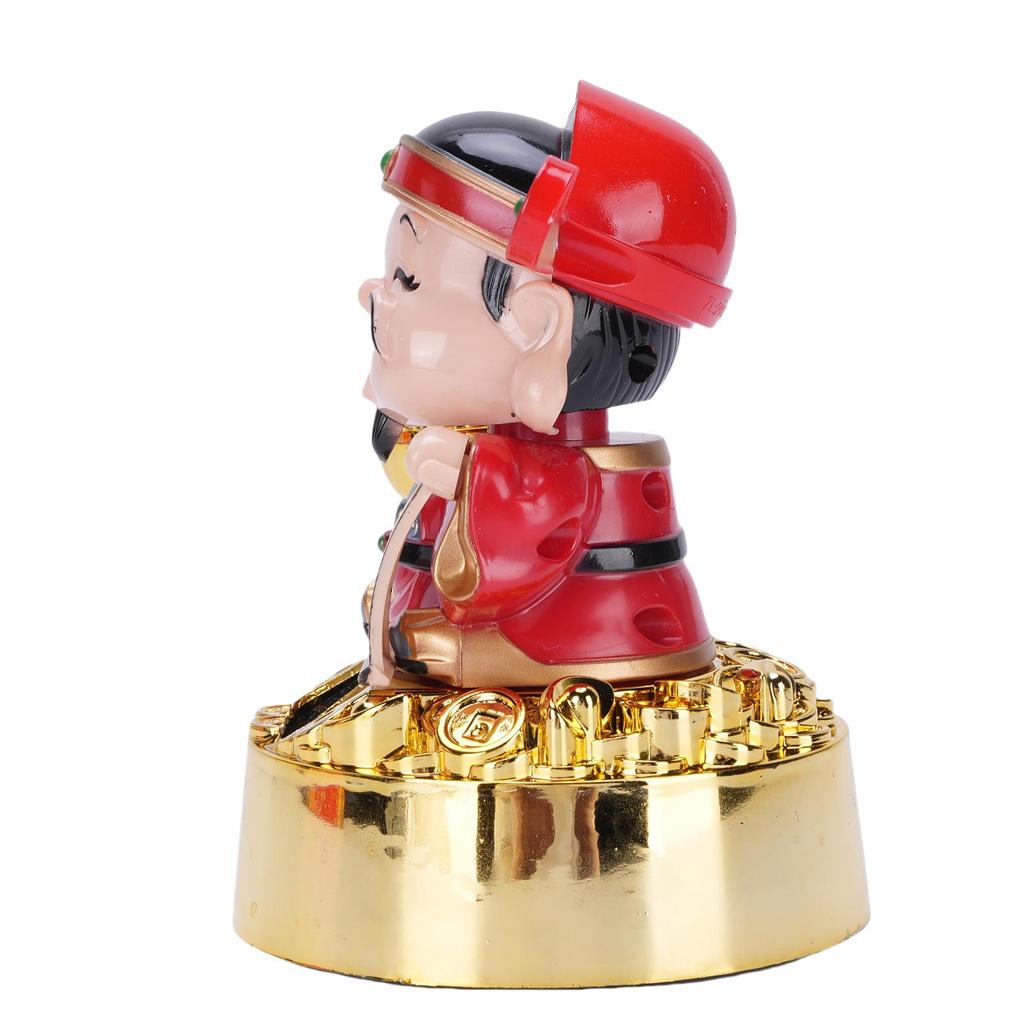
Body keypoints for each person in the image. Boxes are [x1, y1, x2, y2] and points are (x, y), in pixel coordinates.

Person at [359, 82, 735, 688]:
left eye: (407, 278)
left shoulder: (550, 476)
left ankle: (495, 655)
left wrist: (474, 475)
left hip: (575, 635)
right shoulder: (468, 437)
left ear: (538, 328)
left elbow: (540, 521)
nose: (371, 295)